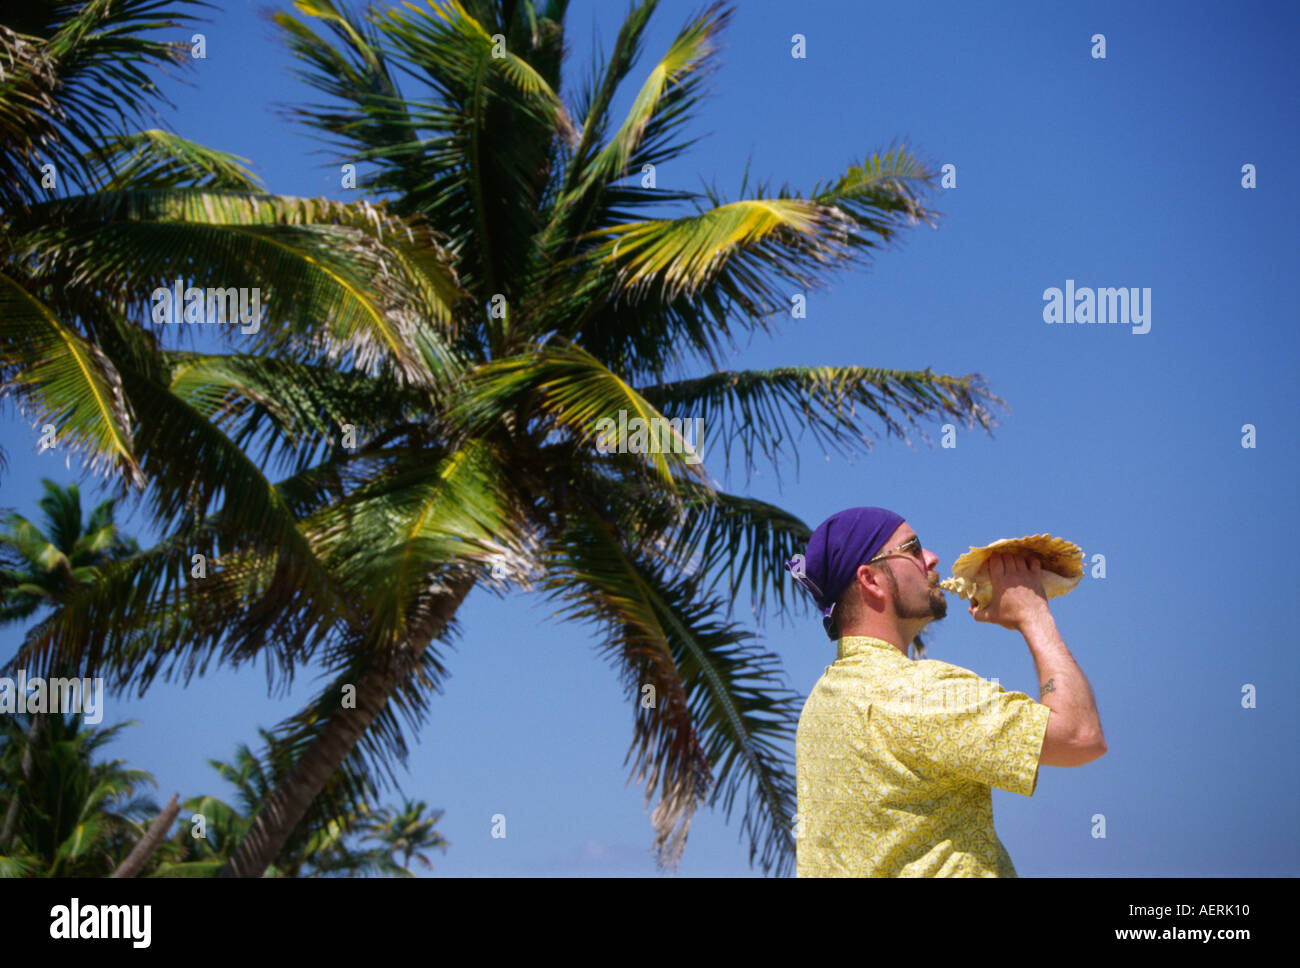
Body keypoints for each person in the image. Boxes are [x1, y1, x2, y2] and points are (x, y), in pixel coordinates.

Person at [786, 506, 1106, 877]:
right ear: (871, 580)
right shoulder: (918, 692)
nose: (932, 557)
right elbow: (1081, 735)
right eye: (912, 548)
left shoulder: (819, 707)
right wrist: (1033, 614)